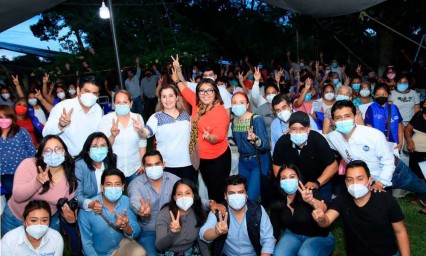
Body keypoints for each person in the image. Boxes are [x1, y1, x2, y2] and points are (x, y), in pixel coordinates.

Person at [128, 150, 225, 256]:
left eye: (157, 164)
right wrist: (141, 209)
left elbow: (188, 195)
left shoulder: (173, 179)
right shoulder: (136, 184)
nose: (153, 167)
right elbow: (134, 200)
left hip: (176, 226)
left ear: (163, 165)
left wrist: (210, 203)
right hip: (149, 232)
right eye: (149, 165)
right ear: (144, 167)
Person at [326, 100, 426, 198]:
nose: (343, 121)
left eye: (347, 116)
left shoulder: (373, 135)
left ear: (355, 116)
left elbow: (388, 161)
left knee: (422, 188)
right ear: (333, 121)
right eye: (338, 118)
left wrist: (380, 182)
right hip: (368, 179)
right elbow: (315, 139)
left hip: (396, 171)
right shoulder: (332, 138)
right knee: (382, 207)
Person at [311, 160, 410, 256]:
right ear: (345, 183)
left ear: (370, 180)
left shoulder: (386, 200)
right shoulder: (342, 200)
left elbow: (400, 231)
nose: (355, 183)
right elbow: (327, 221)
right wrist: (321, 218)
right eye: (350, 180)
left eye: (360, 179)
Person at [171, 64, 231, 203]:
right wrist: (177, 79)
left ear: (215, 92)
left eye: (209, 90)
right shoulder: (198, 104)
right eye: (202, 91)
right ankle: (214, 215)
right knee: (211, 189)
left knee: (217, 192)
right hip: (202, 157)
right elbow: (185, 91)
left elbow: (220, 135)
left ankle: (222, 219)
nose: (205, 94)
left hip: (217, 159)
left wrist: (211, 137)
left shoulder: (220, 112)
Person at [1, 135, 78, 236]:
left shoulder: (70, 176)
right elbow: (18, 197)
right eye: (48, 150)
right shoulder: (28, 165)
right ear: (41, 154)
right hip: (16, 219)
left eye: (58, 149)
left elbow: (68, 207)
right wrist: (37, 182)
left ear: (64, 152)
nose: (54, 153)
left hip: (47, 223)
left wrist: (71, 219)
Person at [199, 175, 275, 256]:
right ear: (225, 196)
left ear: (246, 195)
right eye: (231, 193)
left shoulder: (258, 210)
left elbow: (268, 240)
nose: (236, 196)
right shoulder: (219, 211)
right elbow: (203, 234)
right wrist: (216, 232)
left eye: (240, 192)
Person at [272, 111, 338, 203]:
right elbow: (276, 167)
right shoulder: (282, 142)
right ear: (289, 129)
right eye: (294, 129)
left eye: (302, 129)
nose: (298, 132)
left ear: (308, 129)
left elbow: (333, 166)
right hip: (293, 183)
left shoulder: (318, 140)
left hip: (319, 182)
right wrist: (288, 183)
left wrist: (317, 183)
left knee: (323, 207)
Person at [78, 168, 146, 256]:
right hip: (98, 253)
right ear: (102, 188)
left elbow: (136, 230)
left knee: (139, 252)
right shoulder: (88, 208)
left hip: (120, 247)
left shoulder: (126, 202)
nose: (113, 188)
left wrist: (126, 226)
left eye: (117, 184)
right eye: (109, 185)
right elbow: (86, 243)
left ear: (122, 187)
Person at [271, 164, 335, 256]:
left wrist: (311, 201)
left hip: (319, 236)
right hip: (293, 233)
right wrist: (268, 249)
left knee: (305, 253)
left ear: (298, 179)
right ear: (279, 182)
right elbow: (275, 227)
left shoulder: (309, 192)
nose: (288, 181)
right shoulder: (278, 200)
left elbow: (324, 208)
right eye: (283, 178)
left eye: (292, 177)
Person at [137, 84, 196, 183]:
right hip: (166, 165)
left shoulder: (185, 115)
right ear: (160, 99)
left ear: (176, 97)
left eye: (170, 96)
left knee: (187, 194)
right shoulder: (156, 117)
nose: (168, 99)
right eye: (164, 96)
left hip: (187, 164)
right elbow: (145, 134)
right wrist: (140, 129)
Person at [43, 75, 103, 156]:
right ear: (78, 90)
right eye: (87, 91)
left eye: (94, 93)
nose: (90, 95)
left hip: (92, 158)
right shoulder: (62, 107)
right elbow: (45, 133)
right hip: (70, 160)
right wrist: (60, 125)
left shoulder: (98, 109)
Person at [98, 90, 146, 183]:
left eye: (125, 102)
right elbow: (102, 147)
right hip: (114, 169)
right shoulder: (106, 120)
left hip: (135, 167)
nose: (121, 105)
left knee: (137, 194)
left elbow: (142, 142)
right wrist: (112, 135)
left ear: (131, 103)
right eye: (118, 102)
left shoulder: (138, 118)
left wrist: (142, 163)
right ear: (114, 104)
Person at [231, 92, 270, 201]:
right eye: (234, 103)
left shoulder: (256, 119)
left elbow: (265, 145)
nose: (238, 105)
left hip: (257, 161)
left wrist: (255, 139)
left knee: (252, 197)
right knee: (242, 193)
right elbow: (236, 140)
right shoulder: (234, 121)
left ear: (247, 105)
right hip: (242, 161)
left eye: (241, 102)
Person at [155, 179, 209, 255]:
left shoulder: (197, 210)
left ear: (193, 195)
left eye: (187, 193)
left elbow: (201, 240)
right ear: (174, 197)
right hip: (169, 253)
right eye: (179, 194)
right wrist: (172, 233)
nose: (184, 197)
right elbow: (159, 246)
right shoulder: (164, 214)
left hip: (191, 251)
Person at [74, 132, 117, 212]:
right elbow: (77, 196)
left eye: (103, 146)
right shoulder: (79, 165)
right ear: (88, 151)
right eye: (94, 146)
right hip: (87, 207)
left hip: (107, 202)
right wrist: (91, 204)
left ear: (107, 148)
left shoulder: (110, 160)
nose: (99, 150)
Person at [0, 105, 36, 197]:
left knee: (27, 195)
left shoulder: (21, 131)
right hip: (5, 173)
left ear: (12, 118)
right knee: (15, 195)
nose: (4, 120)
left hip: (23, 171)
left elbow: (31, 150)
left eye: (7, 117)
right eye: (1, 117)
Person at [365, 83, 404, 151]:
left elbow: (399, 125)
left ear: (388, 95)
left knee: (394, 160)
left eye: (384, 94)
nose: (380, 96)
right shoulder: (371, 108)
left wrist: (400, 142)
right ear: (374, 96)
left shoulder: (394, 108)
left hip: (394, 143)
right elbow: (369, 127)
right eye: (377, 95)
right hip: (377, 144)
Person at [404, 101, 426, 213]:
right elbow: (407, 129)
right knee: (418, 176)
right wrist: (409, 140)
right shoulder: (418, 115)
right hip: (415, 151)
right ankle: (420, 197)